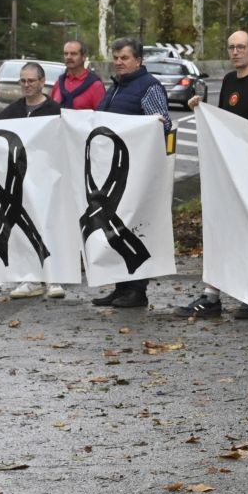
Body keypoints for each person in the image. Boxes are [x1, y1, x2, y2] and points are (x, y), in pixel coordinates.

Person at [177, 30, 248, 318]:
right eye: (231, 47)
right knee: (221, 227)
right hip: (230, 170)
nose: (235, 52)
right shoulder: (228, 80)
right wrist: (201, 110)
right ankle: (212, 295)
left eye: (240, 47)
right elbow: (225, 122)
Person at [95, 38, 175, 310]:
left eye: (124, 58)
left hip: (137, 172)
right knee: (115, 226)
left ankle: (137, 290)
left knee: (135, 227)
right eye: (116, 57)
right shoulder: (115, 87)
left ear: (139, 60)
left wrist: (154, 124)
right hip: (113, 170)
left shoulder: (148, 86)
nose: (118, 62)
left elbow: (163, 123)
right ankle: (121, 286)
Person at [1, 61, 67, 302]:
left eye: (31, 80)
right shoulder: (14, 110)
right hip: (21, 181)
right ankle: (30, 278)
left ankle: (54, 277)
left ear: (42, 82)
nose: (26, 85)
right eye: (22, 81)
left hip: (48, 180)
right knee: (23, 227)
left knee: (49, 225)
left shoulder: (55, 110)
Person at [50, 40, 105, 110]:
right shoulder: (59, 82)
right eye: (66, 54)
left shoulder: (96, 85)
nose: (68, 57)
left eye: (73, 54)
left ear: (84, 57)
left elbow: (100, 117)